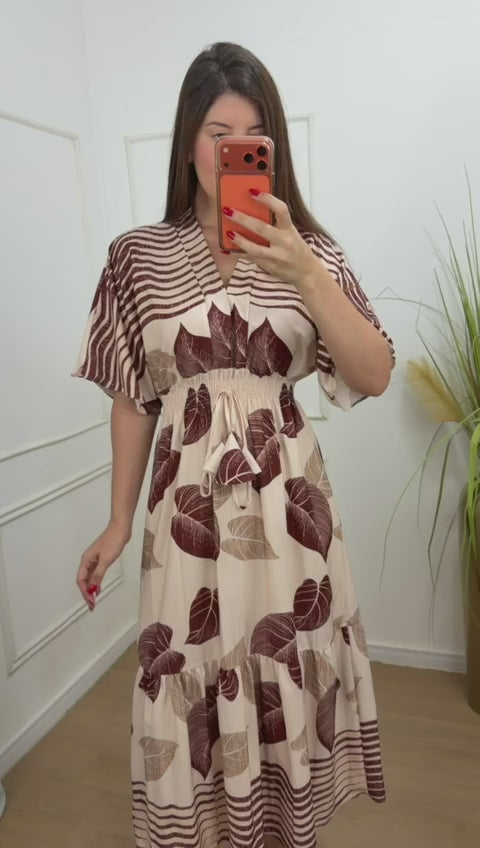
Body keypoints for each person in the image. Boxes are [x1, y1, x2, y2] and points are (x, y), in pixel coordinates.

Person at [73, 41, 394, 848]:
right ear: (188, 140)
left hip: (289, 517)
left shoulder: (307, 251)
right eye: (218, 133)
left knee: (282, 662)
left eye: (254, 137)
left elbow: (375, 372)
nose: (233, 151)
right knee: (188, 668)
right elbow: (133, 398)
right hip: (185, 520)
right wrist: (117, 522)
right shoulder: (137, 258)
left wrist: (306, 273)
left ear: (272, 151)